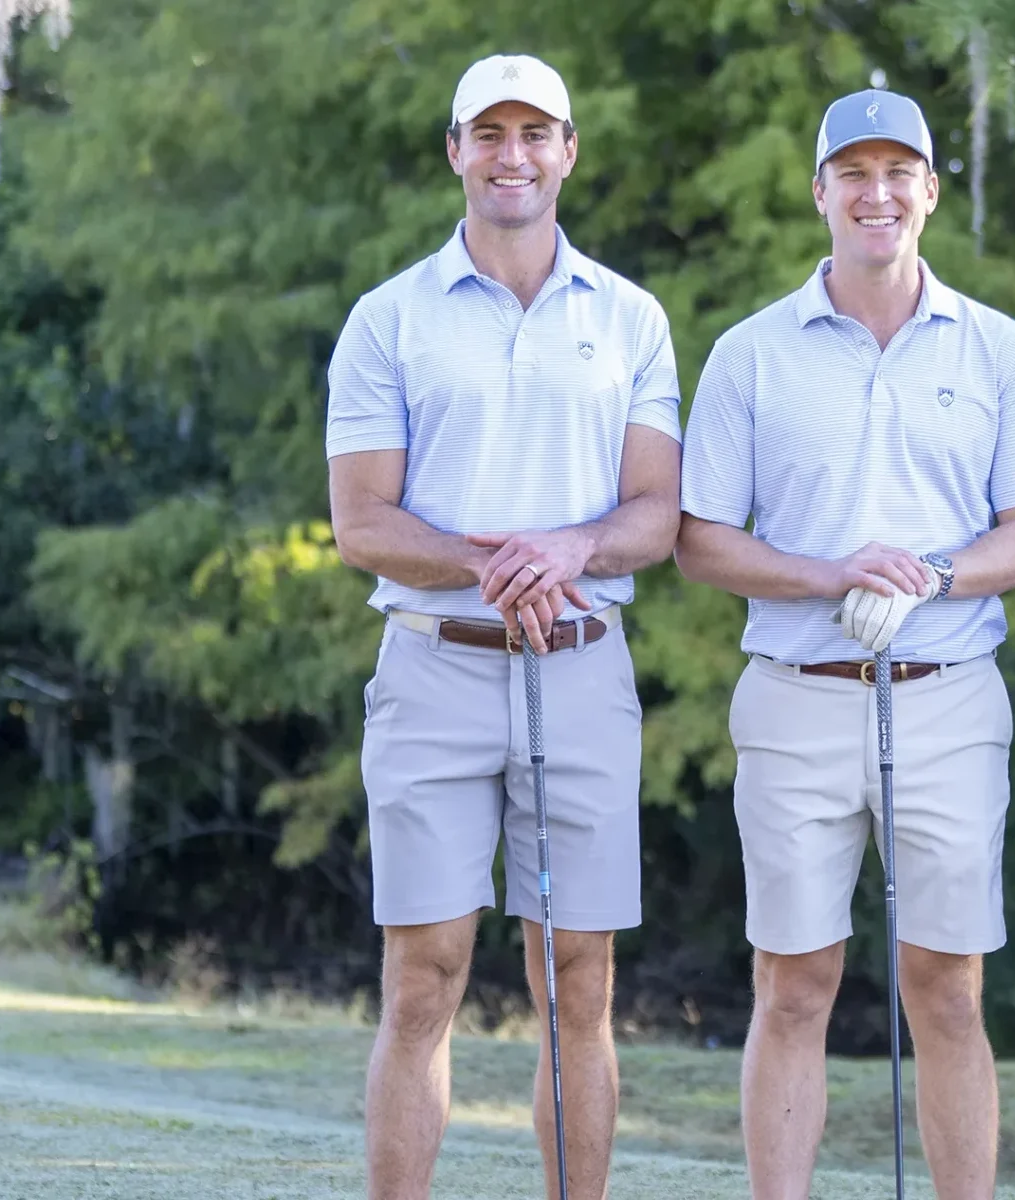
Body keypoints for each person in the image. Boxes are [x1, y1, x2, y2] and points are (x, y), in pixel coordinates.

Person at [672, 89, 1015, 1200]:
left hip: (948, 694)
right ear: (820, 193)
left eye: (900, 172)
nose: (876, 193)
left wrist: (931, 574)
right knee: (795, 983)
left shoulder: (998, 348)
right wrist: (830, 576)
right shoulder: (752, 354)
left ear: (931, 191)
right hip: (797, 693)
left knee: (947, 987)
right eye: (854, 172)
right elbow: (701, 540)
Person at [324, 53, 683, 1200]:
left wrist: (567, 552)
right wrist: (498, 563)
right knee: (423, 978)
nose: (513, 155)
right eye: (491, 134)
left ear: (570, 151)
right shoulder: (389, 320)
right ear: (456, 152)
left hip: (579, 669)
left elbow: (657, 511)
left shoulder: (630, 316)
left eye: (537, 133)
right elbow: (362, 522)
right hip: (434, 671)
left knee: (578, 978)